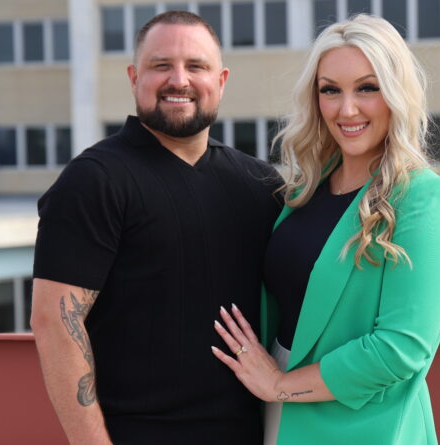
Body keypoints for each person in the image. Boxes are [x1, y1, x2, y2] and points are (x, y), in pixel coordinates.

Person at [30, 11, 281, 445]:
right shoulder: (94, 180)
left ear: (221, 80)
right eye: (161, 65)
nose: (178, 80)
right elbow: (54, 324)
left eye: (196, 66)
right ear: (134, 78)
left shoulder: (261, 185)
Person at [211, 15, 440, 445]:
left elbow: (401, 349)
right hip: (276, 412)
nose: (347, 109)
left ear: (396, 93)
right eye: (331, 90)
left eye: (367, 88)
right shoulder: (304, 191)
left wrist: (280, 385)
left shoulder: (423, 198)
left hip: (362, 426)